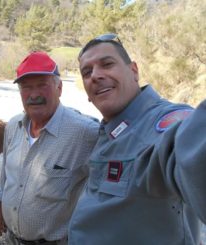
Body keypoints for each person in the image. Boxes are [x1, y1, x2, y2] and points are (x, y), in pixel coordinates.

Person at [68, 33, 206, 244]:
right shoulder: (108, 130)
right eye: (87, 72)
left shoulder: (164, 121)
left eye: (107, 64)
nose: (95, 75)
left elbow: (185, 148)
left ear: (134, 71)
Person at [0, 51, 100, 244]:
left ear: (59, 87)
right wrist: (1, 205)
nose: (34, 95)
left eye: (42, 85)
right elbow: (6, 175)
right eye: (26, 87)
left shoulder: (86, 133)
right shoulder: (13, 126)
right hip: (12, 239)